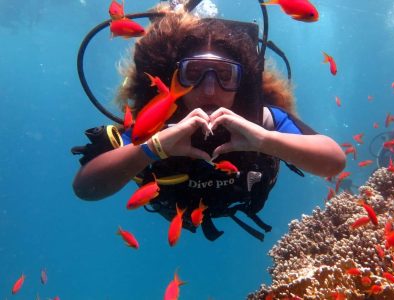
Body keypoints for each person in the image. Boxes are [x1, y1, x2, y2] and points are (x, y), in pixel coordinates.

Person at [72, 6, 346, 241]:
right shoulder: (156, 123)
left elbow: (334, 162)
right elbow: (85, 188)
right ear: (176, 77)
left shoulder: (261, 118)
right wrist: (153, 148)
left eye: (226, 75)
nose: (210, 89)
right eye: (194, 73)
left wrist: (265, 140)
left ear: (243, 81)